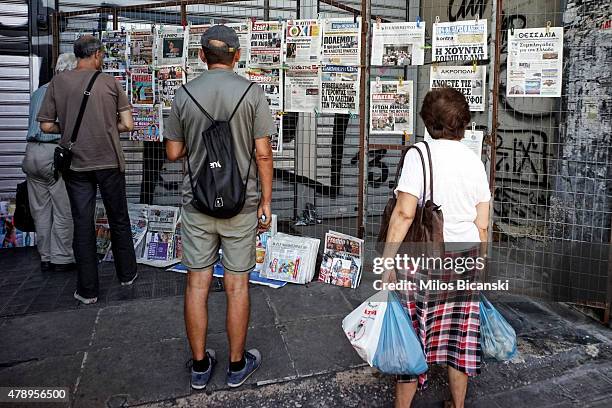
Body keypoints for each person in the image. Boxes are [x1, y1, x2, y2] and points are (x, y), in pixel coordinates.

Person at [164, 25, 275, 390]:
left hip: (196, 204)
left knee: (196, 284)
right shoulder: (253, 93)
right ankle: (237, 365)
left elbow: (173, 152)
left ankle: (199, 367)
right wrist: (266, 202)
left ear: (201, 56)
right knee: (237, 286)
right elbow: (262, 153)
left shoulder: (184, 94)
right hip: (242, 206)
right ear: (237, 56)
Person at [382, 87, 491, 408]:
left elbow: (404, 213)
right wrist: (481, 262)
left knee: (411, 334)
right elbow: (482, 221)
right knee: (460, 337)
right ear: (463, 123)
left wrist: (387, 261)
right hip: (464, 259)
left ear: (428, 121)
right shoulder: (474, 160)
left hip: (423, 261)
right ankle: (457, 405)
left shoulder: (419, 155)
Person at [37, 35, 138, 305]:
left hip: (76, 164)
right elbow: (127, 125)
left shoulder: (58, 82)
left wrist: (69, 129)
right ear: (97, 55)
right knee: (118, 218)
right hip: (109, 162)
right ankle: (127, 274)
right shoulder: (110, 82)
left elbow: (46, 126)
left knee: (82, 223)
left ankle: (88, 290)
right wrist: (106, 126)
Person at [22, 53, 77, 273]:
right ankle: (62, 258)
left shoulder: (38, 92)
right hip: (52, 153)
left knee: (40, 210)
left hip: (30, 153)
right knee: (64, 209)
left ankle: (45, 256)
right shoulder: (65, 93)